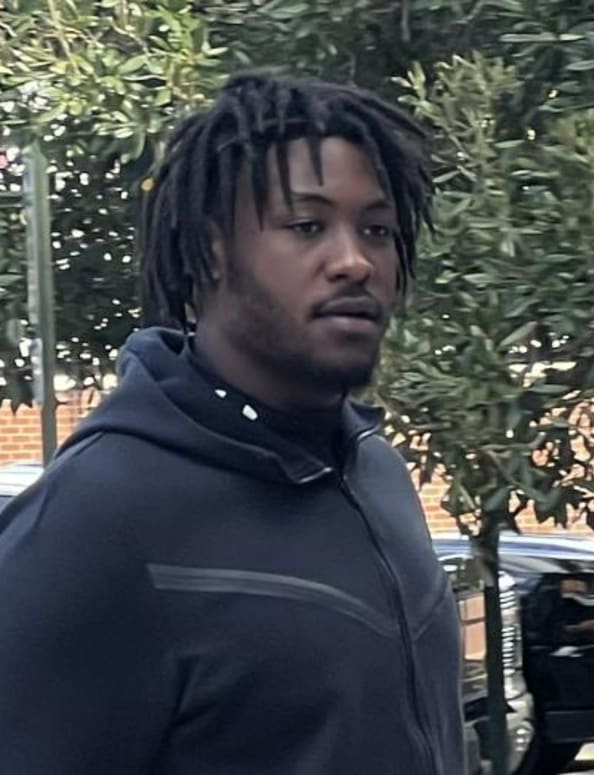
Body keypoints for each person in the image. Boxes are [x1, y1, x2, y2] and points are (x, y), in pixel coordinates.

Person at [0, 72, 464, 774]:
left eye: (377, 230)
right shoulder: (96, 520)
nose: (354, 261)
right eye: (307, 226)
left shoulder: (376, 472)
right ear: (213, 249)